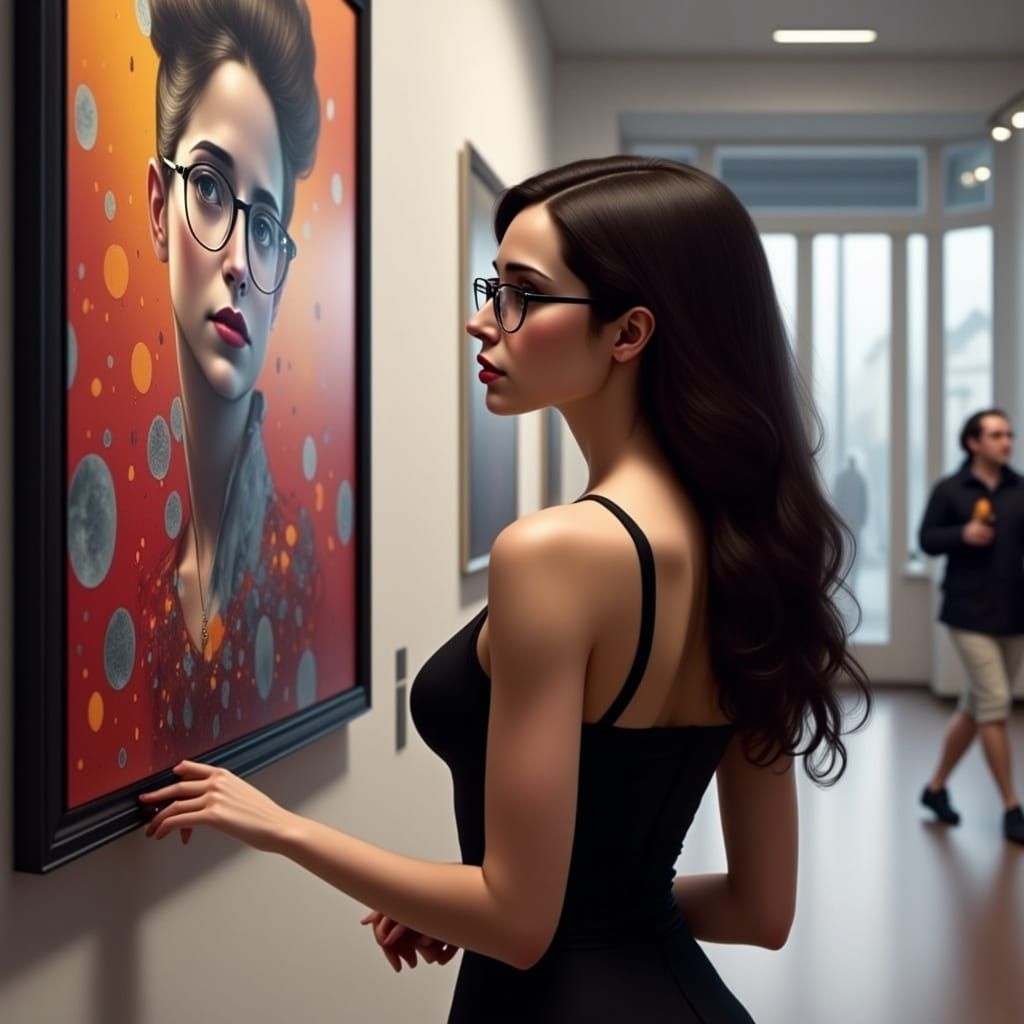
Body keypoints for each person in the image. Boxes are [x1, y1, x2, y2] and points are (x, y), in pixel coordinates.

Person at [141, 156, 870, 1022]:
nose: (481, 320)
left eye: (521, 294)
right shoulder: (746, 547)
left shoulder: (556, 553)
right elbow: (762, 910)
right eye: (494, 286)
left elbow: (518, 923)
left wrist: (279, 824)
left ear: (627, 333)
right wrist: (501, 906)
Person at [140, 0, 321, 765]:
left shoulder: (295, 561)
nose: (241, 263)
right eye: (210, 187)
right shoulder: (137, 588)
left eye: (268, 227)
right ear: (158, 205)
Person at [918, 409, 1024, 845]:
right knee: (996, 702)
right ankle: (1011, 807)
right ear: (973, 442)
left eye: (1009, 434)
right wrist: (962, 534)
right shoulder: (949, 490)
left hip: (1014, 613)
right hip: (967, 614)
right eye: (996, 434)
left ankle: (935, 789)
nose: (1007, 441)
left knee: (974, 705)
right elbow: (926, 539)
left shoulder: (1020, 490)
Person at [833, 455, 868, 593]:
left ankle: (847, 579)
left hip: (847, 520)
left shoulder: (843, 479)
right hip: (852, 520)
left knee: (847, 549)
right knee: (851, 549)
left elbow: (837, 498)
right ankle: (849, 579)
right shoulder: (859, 479)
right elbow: (864, 502)